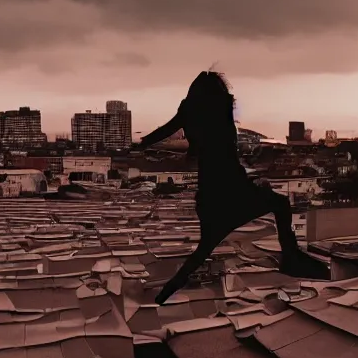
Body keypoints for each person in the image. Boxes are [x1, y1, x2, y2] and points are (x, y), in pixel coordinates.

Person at [134, 70, 330, 305]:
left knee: (200, 254)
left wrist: (142, 143)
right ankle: (290, 257)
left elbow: (167, 129)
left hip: (211, 196)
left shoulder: (190, 111)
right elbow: (224, 136)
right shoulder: (221, 109)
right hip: (233, 191)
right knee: (279, 203)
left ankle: (160, 298)